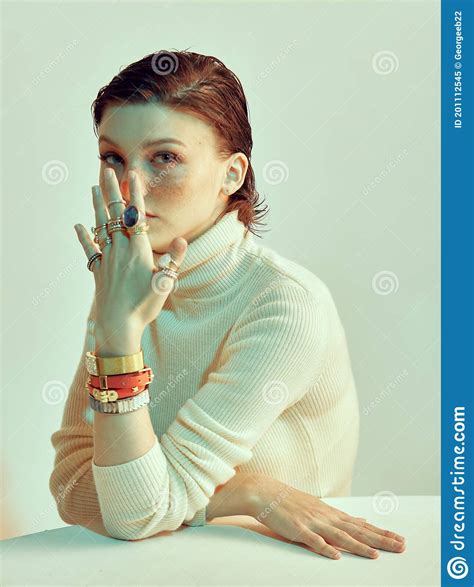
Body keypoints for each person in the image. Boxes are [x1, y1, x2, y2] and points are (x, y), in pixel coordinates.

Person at [49, 49, 406, 560]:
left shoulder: (284, 304)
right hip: (161, 567)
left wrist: (118, 337)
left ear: (232, 174)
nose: (130, 191)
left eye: (165, 158)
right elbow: (73, 485)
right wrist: (245, 494)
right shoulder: (124, 284)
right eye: (113, 158)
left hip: (283, 569)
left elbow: (136, 513)